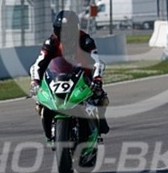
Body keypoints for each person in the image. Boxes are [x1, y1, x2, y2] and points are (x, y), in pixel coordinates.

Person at [29, 10, 110, 143]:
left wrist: (97, 79)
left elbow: (97, 62)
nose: (65, 35)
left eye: (68, 31)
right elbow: (38, 64)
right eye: (61, 31)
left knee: (102, 98)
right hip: (57, 78)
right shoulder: (51, 42)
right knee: (40, 103)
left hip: (83, 78)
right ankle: (50, 131)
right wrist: (35, 82)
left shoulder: (85, 40)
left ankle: (100, 122)